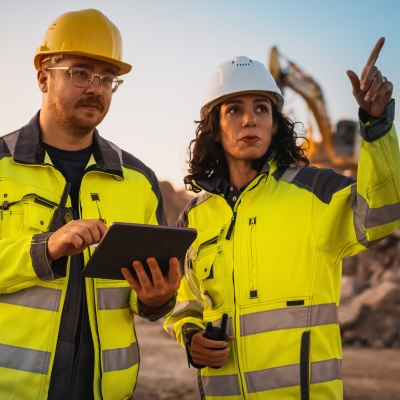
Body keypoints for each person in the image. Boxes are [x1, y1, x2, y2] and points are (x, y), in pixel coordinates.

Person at [164, 38, 398, 399]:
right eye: (233, 110)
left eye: (261, 108)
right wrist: (191, 336)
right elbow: (184, 302)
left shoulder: (315, 191)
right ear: (214, 126)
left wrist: (377, 126)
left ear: (275, 124)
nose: (249, 119)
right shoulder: (194, 218)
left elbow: (383, 210)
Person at [0, 9, 180, 400]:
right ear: (42, 77)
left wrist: (156, 299)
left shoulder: (139, 181)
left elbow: (145, 299)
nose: (96, 88)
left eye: (108, 79)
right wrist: (44, 249)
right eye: (80, 71)